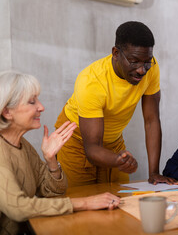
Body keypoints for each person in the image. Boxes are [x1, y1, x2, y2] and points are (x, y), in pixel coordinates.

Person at [55, 21, 176, 187]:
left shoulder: (151, 68)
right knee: (82, 201)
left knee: (119, 200)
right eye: (134, 61)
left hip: (113, 140)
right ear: (116, 53)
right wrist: (117, 160)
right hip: (75, 139)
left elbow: (152, 120)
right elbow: (92, 149)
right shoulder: (91, 81)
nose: (142, 70)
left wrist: (154, 172)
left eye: (147, 61)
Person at [0, 72, 123, 235]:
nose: (41, 107)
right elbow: (17, 208)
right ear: (7, 112)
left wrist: (51, 160)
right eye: (32, 102)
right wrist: (85, 203)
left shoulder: (23, 146)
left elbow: (51, 191)